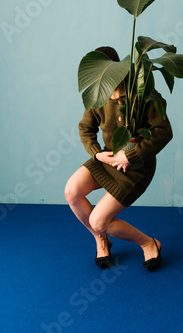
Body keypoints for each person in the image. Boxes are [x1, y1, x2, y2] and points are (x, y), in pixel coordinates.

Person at [65, 46, 173, 270]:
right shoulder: (97, 95)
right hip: (107, 160)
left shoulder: (141, 94)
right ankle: (101, 239)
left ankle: (149, 243)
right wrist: (96, 153)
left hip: (135, 168)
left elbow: (164, 132)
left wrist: (131, 155)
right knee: (71, 191)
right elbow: (86, 129)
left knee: (99, 220)